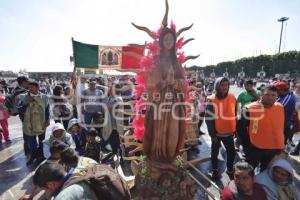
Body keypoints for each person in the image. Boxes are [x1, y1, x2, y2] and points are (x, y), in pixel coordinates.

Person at [143, 27, 186, 164]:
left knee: (174, 132)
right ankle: (157, 161)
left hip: (173, 101)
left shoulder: (177, 61)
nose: (168, 41)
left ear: (174, 42)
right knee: (158, 132)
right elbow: (149, 81)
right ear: (161, 41)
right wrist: (162, 82)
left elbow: (184, 82)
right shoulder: (155, 59)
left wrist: (175, 82)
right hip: (159, 101)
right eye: (166, 38)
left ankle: (171, 158)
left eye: (171, 39)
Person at [239, 85, 285, 171]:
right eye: (267, 94)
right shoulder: (249, 109)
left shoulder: (280, 107)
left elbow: (282, 126)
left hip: (273, 148)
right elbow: (240, 129)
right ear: (261, 95)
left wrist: (282, 144)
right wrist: (247, 147)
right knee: (248, 171)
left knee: (266, 171)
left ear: (276, 96)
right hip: (254, 148)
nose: (270, 97)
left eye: (273, 95)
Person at [205, 77, 237, 180]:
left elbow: (235, 113)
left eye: (226, 85)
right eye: (222, 85)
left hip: (229, 132)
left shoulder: (232, 97)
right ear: (217, 86)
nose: (224, 87)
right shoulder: (211, 99)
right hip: (217, 134)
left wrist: (235, 128)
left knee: (231, 152)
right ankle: (215, 171)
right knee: (214, 154)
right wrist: (212, 135)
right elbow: (208, 119)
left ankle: (230, 169)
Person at [18, 81, 50, 165]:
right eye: (29, 87)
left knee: (42, 140)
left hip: (41, 122)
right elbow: (19, 109)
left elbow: (47, 109)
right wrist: (26, 102)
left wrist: (48, 120)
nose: (30, 89)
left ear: (37, 87)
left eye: (32, 87)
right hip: (29, 124)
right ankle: (33, 155)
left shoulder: (44, 97)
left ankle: (42, 155)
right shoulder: (23, 97)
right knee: (31, 142)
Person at [32, 162, 97, 200]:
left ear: (51, 185)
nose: (45, 192)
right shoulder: (77, 172)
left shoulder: (63, 197)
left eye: (44, 189)